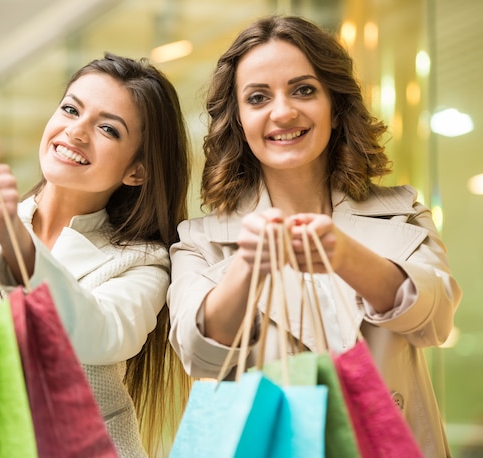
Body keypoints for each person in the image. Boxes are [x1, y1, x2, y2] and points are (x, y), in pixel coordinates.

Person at [167, 14, 461, 457]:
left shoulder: (402, 214)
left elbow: (434, 322)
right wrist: (249, 263)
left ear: (336, 107)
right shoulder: (201, 240)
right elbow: (198, 354)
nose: (283, 112)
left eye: (304, 90)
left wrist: (347, 256)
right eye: (258, 97)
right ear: (240, 121)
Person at [0, 52, 192, 457]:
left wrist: (10, 234)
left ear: (138, 171)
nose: (76, 132)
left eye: (108, 129)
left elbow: (97, 334)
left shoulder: (143, 260)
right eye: (70, 109)